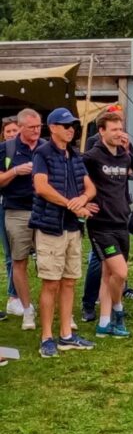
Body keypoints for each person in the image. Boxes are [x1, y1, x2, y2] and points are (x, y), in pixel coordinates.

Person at [30, 108, 98, 357]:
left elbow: (90, 187)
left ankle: (66, 335)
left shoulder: (75, 155)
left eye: (73, 126)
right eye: (66, 125)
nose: (71, 129)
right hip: (51, 227)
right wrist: (71, 203)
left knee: (69, 281)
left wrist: (82, 199)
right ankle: (47, 337)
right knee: (51, 283)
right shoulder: (42, 153)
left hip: (73, 228)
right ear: (53, 128)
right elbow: (41, 187)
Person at [82, 112, 133, 339]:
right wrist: (83, 203)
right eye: (113, 129)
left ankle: (104, 323)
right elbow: (75, 179)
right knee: (121, 272)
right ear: (101, 131)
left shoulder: (124, 157)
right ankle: (118, 311)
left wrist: (129, 149)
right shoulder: (91, 157)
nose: (118, 133)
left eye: (120, 128)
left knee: (108, 274)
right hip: (101, 225)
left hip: (121, 222)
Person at [0, 108, 42, 329]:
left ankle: (48, 306)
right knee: (18, 260)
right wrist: (15, 171)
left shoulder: (46, 147)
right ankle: (26, 309)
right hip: (16, 211)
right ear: (21, 127)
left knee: (49, 262)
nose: (36, 131)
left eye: (39, 127)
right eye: (32, 127)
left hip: (44, 210)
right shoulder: (7, 149)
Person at [0, 115, 18, 319]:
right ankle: (13, 296)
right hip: (4, 205)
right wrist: (14, 171)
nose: (11, 134)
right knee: (10, 254)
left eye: (14, 130)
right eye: (8, 131)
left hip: (23, 206)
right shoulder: (3, 152)